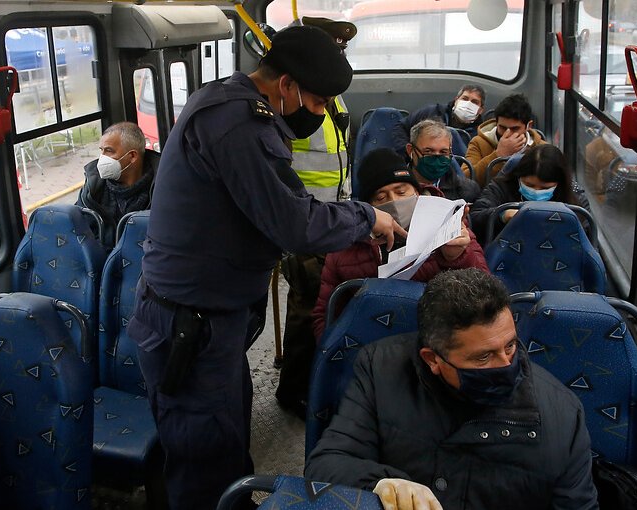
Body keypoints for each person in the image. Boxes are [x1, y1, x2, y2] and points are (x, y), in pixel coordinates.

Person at [126, 26, 404, 510]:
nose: (318, 117)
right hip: (189, 322)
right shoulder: (241, 125)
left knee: (228, 434)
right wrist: (367, 217)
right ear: (286, 86)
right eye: (317, 103)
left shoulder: (227, 100)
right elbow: (294, 222)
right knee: (202, 453)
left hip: (212, 316)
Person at [306, 268, 599, 510]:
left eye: (510, 346)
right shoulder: (381, 369)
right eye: (483, 357)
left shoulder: (561, 413)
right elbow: (325, 464)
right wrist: (381, 484)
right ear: (433, 359)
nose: (506, 364)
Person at [311, 148, 489, 341]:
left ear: (417, 192)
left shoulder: (449, 226)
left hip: (439, 339)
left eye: (402, 192)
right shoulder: (347, 245)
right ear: (368, 207)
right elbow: (326, 315)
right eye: (381, 198)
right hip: (372, 345)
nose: (394, 202)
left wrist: (456, 257)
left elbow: (484, 294)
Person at [276, 15, 357, 420]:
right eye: (331, 48)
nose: (338, 56)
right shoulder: (290, 102)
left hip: (332, 217)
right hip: (305, 222)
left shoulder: (330, 94)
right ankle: (293, 392)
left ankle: (309, 380)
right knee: (306, 309)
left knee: (321, 304)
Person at [470, 144, 589, 245]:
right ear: (519, 177)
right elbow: (474, 218)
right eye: (529, 185)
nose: (536, 191)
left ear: (559, 184)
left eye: (545, 188)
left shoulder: (575, 199)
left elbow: (585, 240)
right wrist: (502, 215)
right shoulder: (502, 187)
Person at [76, 122, 159, 249]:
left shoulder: (162, 187)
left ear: (132, 156)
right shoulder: (93, 187)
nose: (102, 158)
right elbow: (79, 230)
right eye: (101, 151)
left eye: (109, 151)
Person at [464, 93, 546, 185]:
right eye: (502, 127)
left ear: (528, 126)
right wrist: (498, 155)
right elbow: (466, 178)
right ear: (496, 123)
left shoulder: (542, 148)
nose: (507, 133)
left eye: (515, 129)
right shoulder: (478, 142)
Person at [406, 119, 481, 203]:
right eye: (428, 151)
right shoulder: (393, 188)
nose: (436, 158)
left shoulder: (467, 190)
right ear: (410, 150)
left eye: (443, 152)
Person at [406, 84, 487, 140]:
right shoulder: (432, 112)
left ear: (480, 110)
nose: (468, 104)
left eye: (474, 102)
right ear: (456, 100)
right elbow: (401, 126)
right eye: (465, 99)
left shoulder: (481, 134)